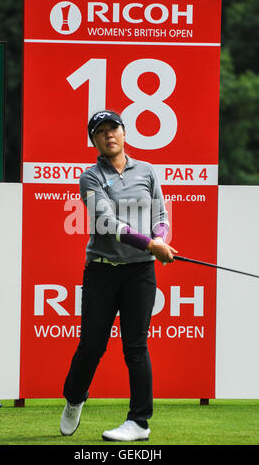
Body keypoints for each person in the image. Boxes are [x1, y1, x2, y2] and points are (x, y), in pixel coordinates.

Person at [60, 110, 178, 441]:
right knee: (92, 346)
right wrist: (149, 244)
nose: (109, 134)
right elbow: (105, 222)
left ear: (124, 133)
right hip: (102, 270)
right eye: (101, 131)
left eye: (114, 128)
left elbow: (160, 213)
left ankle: (139, 421)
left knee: (136, 347)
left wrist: (160, 238)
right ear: (94, 140)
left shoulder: (147, 171)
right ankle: (74, 398)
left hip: (139, 272)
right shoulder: (91, 177)